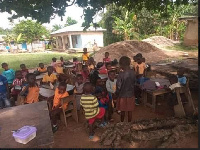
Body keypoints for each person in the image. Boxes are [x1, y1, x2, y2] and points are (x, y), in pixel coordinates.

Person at [115, 56, 136, 122]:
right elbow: (134, 82)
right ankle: (129, 124)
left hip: (122, 95)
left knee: (123, 110)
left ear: (121, 65)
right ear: (129, 63)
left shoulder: (121, 74)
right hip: (131, 94)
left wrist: (116, 93)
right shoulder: (133, 72)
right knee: (130, 111)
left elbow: (118, 86)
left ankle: (122, 123)